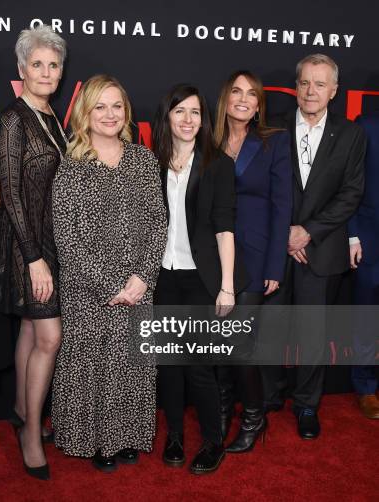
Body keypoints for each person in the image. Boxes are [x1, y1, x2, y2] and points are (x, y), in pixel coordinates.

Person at [51, 74, 167, 473]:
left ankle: (129, 435)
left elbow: (157, 223)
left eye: (116, 106)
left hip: (138, 285)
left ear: (126, 112)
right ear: (86, 113)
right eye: (100, 106)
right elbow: (66, 238)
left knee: (132, 364)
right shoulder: (71, 166)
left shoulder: (143, 159)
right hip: (88, 290)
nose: (109, 114)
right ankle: (96, 441)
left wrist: (141, 278)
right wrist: (108, 285)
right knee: (94, 364)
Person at [262, 54, 366, 439]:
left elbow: (350, 193)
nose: (311, 91)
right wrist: (287, 232)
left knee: (312, 333)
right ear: (296, 86)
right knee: (269, 327)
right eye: (305, 82)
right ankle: (270, 396)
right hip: (275, 246)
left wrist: (308, 231)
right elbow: (262, 187)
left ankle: (307, 404)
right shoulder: (271, 127)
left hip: (320, 250)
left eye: (320, 84)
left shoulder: (351, 134)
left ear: (334, 91)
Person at [151, 84, 247, 474]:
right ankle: (174, 435)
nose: (188, 120)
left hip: (202, 279)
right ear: (168, 117)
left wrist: (227, 285)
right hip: (163, 277)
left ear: (203, 119)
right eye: (180, 112)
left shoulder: (218, 164)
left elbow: (225, 228)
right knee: (170, 364)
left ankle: (213, 442)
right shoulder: (150, 161)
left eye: (195, 112)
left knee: (199, 366)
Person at [0, 25, 68, 480]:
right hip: (27, 246)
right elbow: (12, 192)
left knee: (28, 328)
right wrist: (33, 257)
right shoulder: (12, 119)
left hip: (50, 242)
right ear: (21, 69)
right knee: (49, 338)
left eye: (53, 65)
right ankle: (31, 436)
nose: (45, 72)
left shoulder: (52, 117)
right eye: (36, 64)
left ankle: (23, 407)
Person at [213, 70, 292, 451]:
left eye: (252, 95)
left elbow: (282, 207)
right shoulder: (207, 140)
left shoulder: (273, 142)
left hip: (257, 254)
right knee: (217, 340)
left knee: (239, 341)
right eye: (236, 92)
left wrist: (276, 266)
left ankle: (254, 417)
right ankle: (224, 410)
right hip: (213, 255)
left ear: (259, 104)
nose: (243, 100)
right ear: (225, 98)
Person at [348, 111, 379, 419]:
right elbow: (352, 182)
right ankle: (366, 387)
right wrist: (353, 234)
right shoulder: (367, 125)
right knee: (367, 319)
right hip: (372, 239)